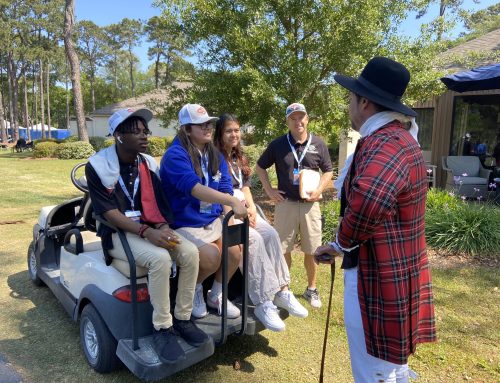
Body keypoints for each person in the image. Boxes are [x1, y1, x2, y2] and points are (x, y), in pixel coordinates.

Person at [315, 57, 436, 383]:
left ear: (365, 102)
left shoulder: (385, 143)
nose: (349, 105)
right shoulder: (402, 139)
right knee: (391, 369)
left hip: (378, 278)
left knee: (376, 372)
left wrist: (340, 243)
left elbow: (369, 201)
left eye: (351, 98)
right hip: (396, 273)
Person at [85, 108, 207, 364]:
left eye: (145, 131)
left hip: (149, 227)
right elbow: (107, 211)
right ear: (118, 135)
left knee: (189, 252)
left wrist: (162, 227)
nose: (144, 136)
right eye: (136, 131)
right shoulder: (97, 165)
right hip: (119, 233)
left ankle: (183, 319)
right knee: (160, 259)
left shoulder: (148, 163)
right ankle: (162, 328)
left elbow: (159, 204)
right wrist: (146, 232)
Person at [214, 113, 308, 331]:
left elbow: (244, 187)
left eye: (237, 130)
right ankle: (263, 303)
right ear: (220, 133)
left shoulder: (237, 157)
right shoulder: (214, 158)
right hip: (224, 212)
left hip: (243, 209)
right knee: (253, 240)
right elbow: (217, 192)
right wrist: (235, 214)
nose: (234, 134)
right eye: (229, 130)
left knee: (271, 234)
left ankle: (283, 291)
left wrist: (252, 209)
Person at [160, 104, 247, 320]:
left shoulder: (214, 154)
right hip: (183, 223)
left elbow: (226, 186)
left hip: (210, 219)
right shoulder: (175, 155)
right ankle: (195, 291)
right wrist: (231, 201)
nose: (208, 128)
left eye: (208, 123)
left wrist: (229, 214)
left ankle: (216, 295)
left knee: (236, 250)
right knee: (211, 257)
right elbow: (195, 189)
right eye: (200, 125)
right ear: (186, 129)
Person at [255, 103, 333, 308]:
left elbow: (328, 171)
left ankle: (312, 289)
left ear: (307, 119)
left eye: (301, 117)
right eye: (293, 118)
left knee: (312, 249)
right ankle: (284, 290)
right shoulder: (278, 144)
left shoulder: (318, 143)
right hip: (286, 204)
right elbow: (260, 167)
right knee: (283, 249)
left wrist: (320, 190)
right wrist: (269, 191)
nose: (298, 122)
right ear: (287, 121)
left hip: (310, 206)